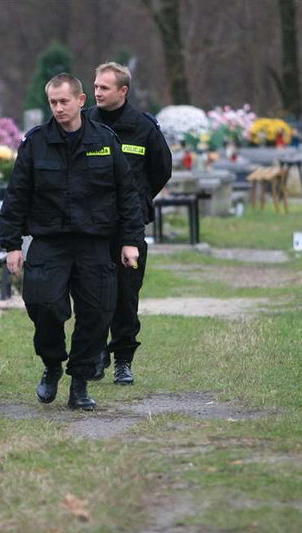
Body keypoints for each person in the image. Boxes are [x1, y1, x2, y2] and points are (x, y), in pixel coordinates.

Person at [0, 73, 144, 410]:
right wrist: (12, 245)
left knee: (96, 313)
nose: (59, 108)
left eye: (64, 101)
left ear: (81, 101)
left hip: (94, 242)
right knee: (44, 305)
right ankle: (51, 365)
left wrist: (130, 240)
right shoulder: (35, 143)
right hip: (51, 241)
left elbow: (127, 196)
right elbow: (16, 196)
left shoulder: (105, 141)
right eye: (53, 102)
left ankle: (79, 384)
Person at [88, 61, 172, 385]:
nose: (97, 92)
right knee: (92, 296)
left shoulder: (143, 127)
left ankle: (123, 360)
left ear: (123, 91)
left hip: (128, 229)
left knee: (125, 297)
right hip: (92, 227)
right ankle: (96, 355)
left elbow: (161, 169)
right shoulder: (85, 124)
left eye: (104, 87)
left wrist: (138, 199)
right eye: (95, 86)